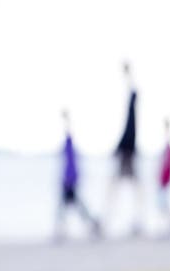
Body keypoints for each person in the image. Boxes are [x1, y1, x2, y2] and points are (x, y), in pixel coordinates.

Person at [106, 61, 143, 234]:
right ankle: (119, 218)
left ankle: (133, 219)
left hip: (128, 152)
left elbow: (129, 129)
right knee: (125, 186)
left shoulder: (132, 107)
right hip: (128, 150)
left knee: (121, 186)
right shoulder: (132, 108)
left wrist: (119, 147)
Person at [55, 110, 100, 240]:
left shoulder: (69, 145)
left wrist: (66, 120)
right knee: (73, 207)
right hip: (70, 180)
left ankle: (62, 230)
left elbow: (71, 166)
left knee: (69, 208)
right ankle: (90, 225)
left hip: (69, 181)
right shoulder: (70, 147)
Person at [157, 118, 170, 234]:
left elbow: (169, 167)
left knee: (166, 205)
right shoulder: (167, 149)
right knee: (163, 205)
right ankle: (169, 226)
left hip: (166, 183)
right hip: (164, 182)